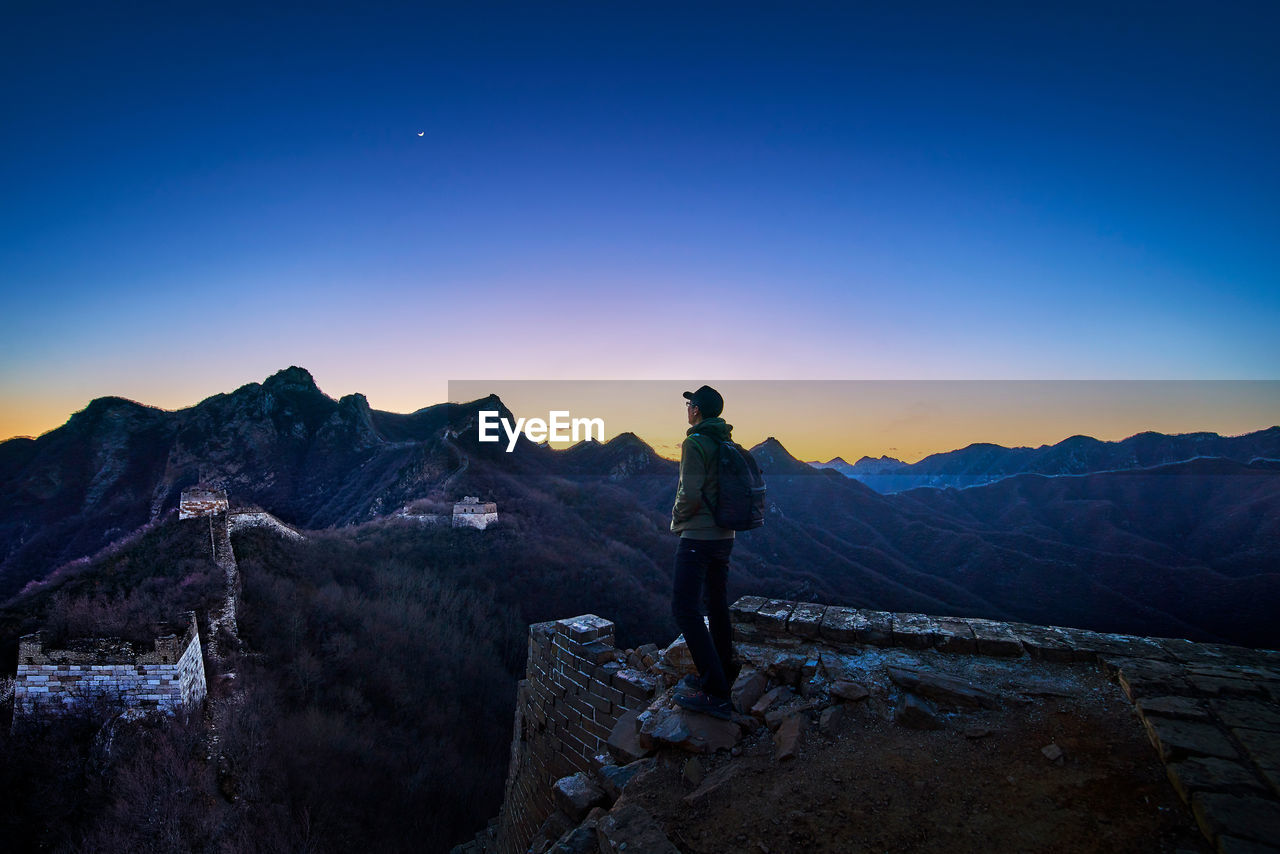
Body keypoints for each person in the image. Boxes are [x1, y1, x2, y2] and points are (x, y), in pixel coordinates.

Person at [670, 385, 740, 720]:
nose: (687, 409)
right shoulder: (726, 441)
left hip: (698, 536)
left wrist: (676, 520)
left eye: (689, 404)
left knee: (684, 608)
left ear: (696, 410)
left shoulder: (694, 442)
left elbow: (691, 492)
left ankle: (715, 691)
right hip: (726, 536)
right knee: (715, 603)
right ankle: (724, 673)